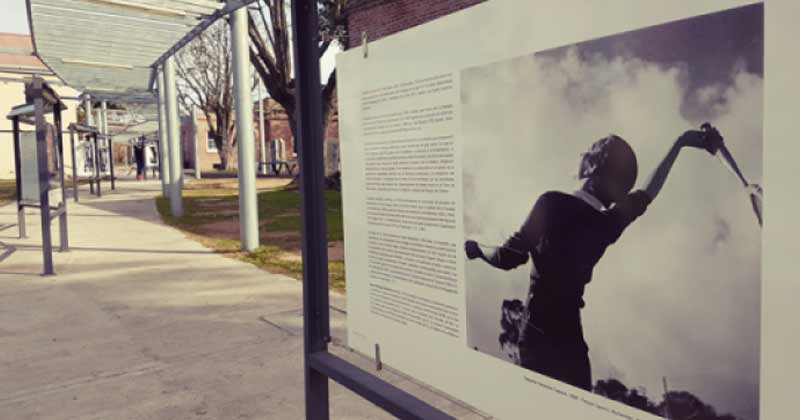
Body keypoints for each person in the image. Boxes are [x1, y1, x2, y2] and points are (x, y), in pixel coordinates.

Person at [464, 126, 724, 391]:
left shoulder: (552, 203)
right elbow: (647, 194)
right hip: (572, 346)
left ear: (591, 165)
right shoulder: (607, 225)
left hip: (537, 340)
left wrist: (477, 249)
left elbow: (507, 257)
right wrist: (679, 143)